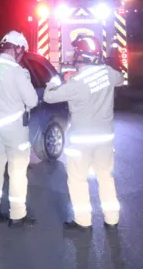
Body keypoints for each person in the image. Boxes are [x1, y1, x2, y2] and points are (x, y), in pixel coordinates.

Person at [43, 35, 125, 230]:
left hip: (81, 141)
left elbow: (48, 97)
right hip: (105, 139)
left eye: (77, 55)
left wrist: (55, 80)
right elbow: (120, 79)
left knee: (78, 180)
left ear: (82, 56)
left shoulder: (75, 82)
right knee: (105, 177)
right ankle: (112, 220)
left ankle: (83, 221)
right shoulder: (109, 74)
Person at [0, 30, 39, 227]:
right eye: (22, 52)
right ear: (18, 48)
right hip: (15, 130)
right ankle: (17, 216)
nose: (22, 57)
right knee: (17, 172)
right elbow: (32, 100)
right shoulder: (17, 71)